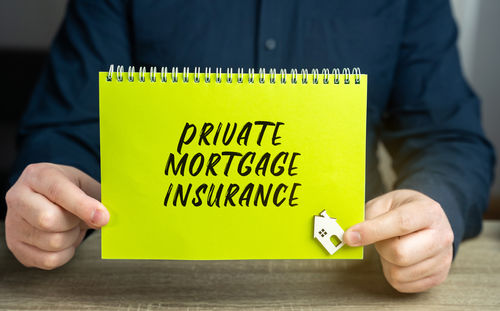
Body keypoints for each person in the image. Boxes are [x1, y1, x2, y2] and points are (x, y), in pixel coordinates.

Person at [3, 0, 495, 293]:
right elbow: (67, 128)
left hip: (348, 279)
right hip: (145, 282)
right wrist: (49, 203)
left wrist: (434, 208)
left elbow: (447, 138)